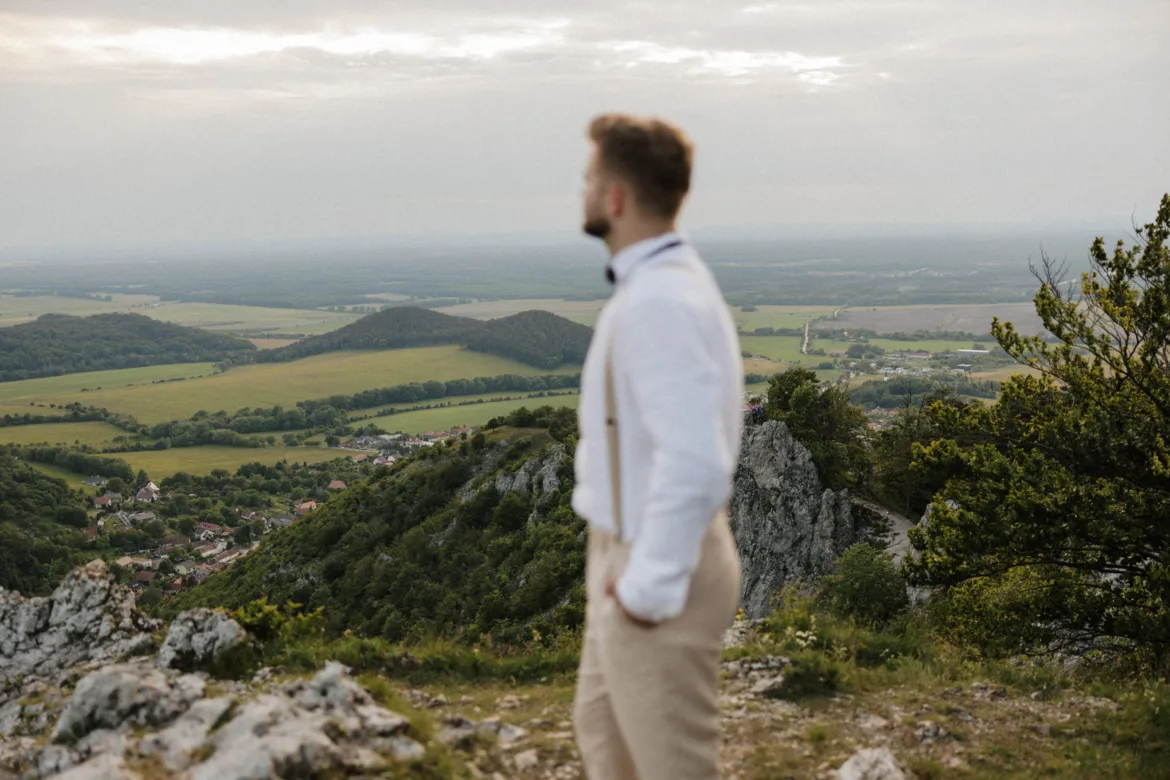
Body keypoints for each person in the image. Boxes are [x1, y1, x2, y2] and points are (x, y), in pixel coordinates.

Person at [572, 113, 744, 780]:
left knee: (672, 766)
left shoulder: (659, 301)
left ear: (615, 196)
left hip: (658, 562)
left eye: (590, 178)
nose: (583, 190)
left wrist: (647, 587)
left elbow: (697, 464)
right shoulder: (658, 284)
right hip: (627, 551)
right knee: (604, 742)